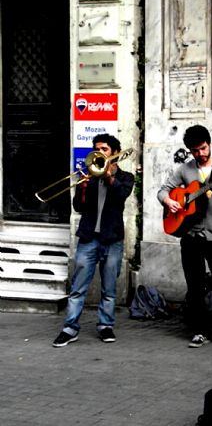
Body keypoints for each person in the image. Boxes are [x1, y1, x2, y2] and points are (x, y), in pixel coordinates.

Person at [157, 125, 212, 350]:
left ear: (209, 144)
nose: (200, 154)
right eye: (195, 151)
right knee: (194, 286)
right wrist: (170, 202)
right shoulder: (185, 170)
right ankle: (199, 330)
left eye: (203, 148)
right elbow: (163, 191)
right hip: (191, 237)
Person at [52, 134, 135, 347]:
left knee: (109, 288)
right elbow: (78, 207)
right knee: (78, 287)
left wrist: (109, 178)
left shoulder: (126, 178)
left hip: (112, 238)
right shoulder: (88, 176)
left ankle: (105, 326)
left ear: (114, 153)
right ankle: (69, 329)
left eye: (104, 149)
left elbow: (121, 196)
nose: (99, 152)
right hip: (89, 237)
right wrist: (84, 188)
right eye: (97, 149)